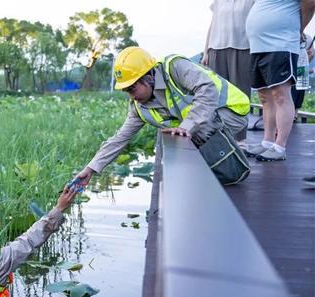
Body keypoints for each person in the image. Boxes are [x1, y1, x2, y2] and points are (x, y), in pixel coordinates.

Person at [74, 46, 250, 185]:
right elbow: (119, 139)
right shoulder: (139, 107)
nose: (132, 96)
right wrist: (91, 168)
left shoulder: (174, 68)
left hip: (231, 110)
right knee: (179, 139)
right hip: (207, 123)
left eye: (132, 88)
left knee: (189, 134)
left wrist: (186, 127)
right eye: (126, 91)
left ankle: (227, 168)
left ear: (149, 76)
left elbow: (208, 89)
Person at [244, 0, 315, 161]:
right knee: (264, 97)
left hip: (281, 42)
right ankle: (267, 142)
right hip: (258, 45)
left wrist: (299, 30)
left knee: (280, 94)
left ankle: (279, 146)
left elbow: (310, 3)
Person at [202, 0, 256, 149]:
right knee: (215, 95)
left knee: (241, 93)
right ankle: (218, 136)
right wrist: (206, 51)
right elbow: (212, 25)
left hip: (243, 46)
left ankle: (240, 139)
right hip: (216, 47)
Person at [291, 33, 315, 115]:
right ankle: (295, 115)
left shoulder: (307, 37)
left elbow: (311, 53)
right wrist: (306, 57)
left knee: (293, 93)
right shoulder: (308, 37)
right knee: (298, 93)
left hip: (294, 67)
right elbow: (311, 54)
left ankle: (292, 115)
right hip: (301, 67)